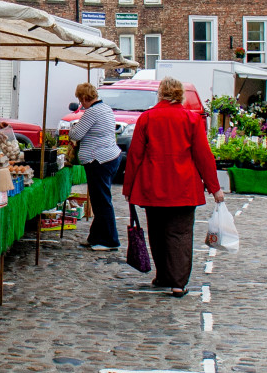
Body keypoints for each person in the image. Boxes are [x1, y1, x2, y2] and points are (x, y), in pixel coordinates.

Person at [123, 77, 225, 299]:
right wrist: (214, 187)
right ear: (180, 95)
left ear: (160, 94)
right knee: (179, 234)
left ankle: (163, 276)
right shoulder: (191, 119)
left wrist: (128, 187)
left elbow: (135, 156)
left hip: (153, 184)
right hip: (184, 187)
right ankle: (178, 282)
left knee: (157, 233)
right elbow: (203, 156)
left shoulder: (147, 118)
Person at [69, 82, 122, 251]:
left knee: (102, 201)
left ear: (85, 98)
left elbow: (76, 134)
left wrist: (73, 127)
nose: (80, 103)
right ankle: (95, 237)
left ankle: (109, 240)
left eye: (80, 99)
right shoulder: (105, 108)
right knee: (100, 200)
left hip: (98, 160)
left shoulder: (92, 112)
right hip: (110, 157)